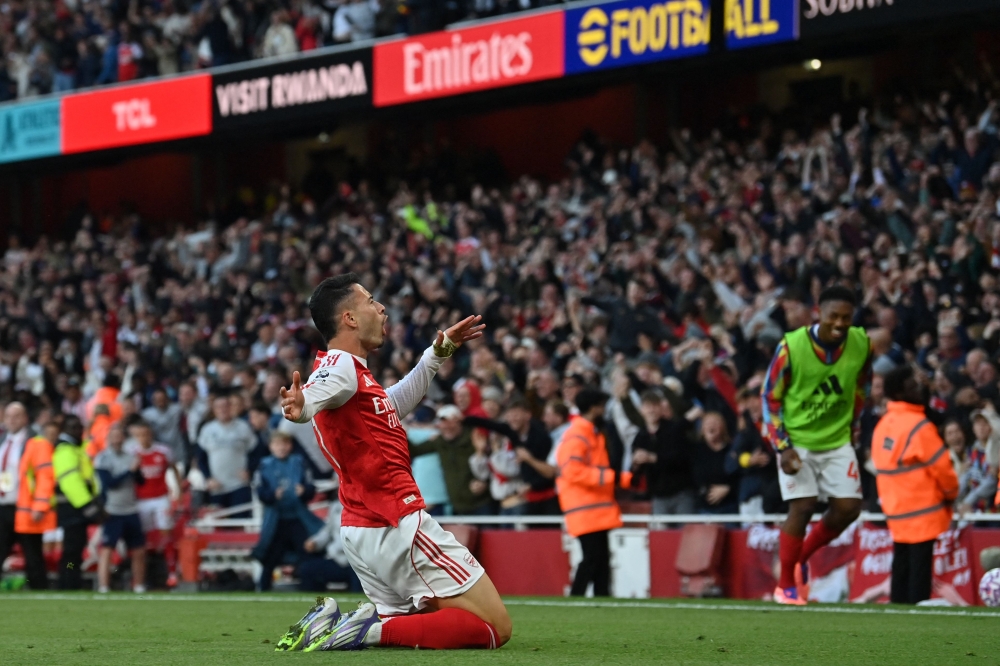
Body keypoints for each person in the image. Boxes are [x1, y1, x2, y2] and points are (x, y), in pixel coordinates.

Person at [275, 273, 511, 651]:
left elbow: (391, 404)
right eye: (370, 301)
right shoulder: (341, 369)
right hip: (396, 521)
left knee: (416, 624)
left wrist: (435, 354)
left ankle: (342, 623)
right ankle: (364, 627)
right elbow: (314, 398)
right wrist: (301, 407)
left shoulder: (350, 373)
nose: (381, 307)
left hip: (360, 527)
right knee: (493, 627)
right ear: (350, 318)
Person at [762, 285, 871, 605]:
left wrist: (855, 426)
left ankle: (799, 558)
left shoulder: (861, 343)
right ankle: (785, 586)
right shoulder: (791, 347)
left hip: (837, 439)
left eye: (846, 318)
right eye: (833, 316)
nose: (839, 324)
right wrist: (782, 446)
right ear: (817, 312)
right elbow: (770, 397)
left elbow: (861, 386)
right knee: (803, 505)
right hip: (799, 441)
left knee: (849, 509)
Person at [873, 365, 960, 604]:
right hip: (922, 510)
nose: (918, 389)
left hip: (895, 509)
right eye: (912, 386)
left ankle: (898, 611)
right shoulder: (919, 426)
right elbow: (943, 468)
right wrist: (951, 493)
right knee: (920, 569)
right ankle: (916, 612)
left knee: (901, 563)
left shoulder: (883, 425)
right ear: (899, 392)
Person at [556, 388, 633, 597]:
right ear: (593, 408)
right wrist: (611, 478)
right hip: (585, 508)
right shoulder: (579, 435)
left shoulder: (589, 433)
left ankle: (601, 599)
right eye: (601, 406)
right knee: (593, 558)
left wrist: (623, 479)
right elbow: (572, 471)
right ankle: (576, 597)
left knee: (599, 560)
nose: (604, 410)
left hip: (592, 508)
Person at [251, 431, 321, 591]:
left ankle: (310, 587)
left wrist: (304, 491)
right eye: (277, 444)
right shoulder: (264, 465)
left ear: (290, 446)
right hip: (276, 518)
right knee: (269, 555)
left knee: (307, 552)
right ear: (271, 447)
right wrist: (271, 496)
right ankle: (263, 588)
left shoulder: (299, 462)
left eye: (284, 444)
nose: (281, 448)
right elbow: (260, 491)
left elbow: (311, 486)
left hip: (298, 516)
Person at [409, 405, 493, 516]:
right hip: (458, 507)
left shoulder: (474, 438)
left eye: (450, 423)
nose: (446, 427)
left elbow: (492, 465)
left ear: (459, 422)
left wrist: (485, 483)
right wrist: (399, 433)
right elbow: (415, 451)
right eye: (443, 423)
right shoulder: (440, 441)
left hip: (481, 504)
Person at [53, 415, 105, 590]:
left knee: (75, 549)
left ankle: (71, 581)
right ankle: (68, 582)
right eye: (73, 427)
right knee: (71, 551)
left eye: (79, 427)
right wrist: (89, 507)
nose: (78, 431)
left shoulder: (76, 449)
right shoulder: (65, 450)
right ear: (65, 429)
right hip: (72, 508)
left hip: (76, 508)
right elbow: (71, 482)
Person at [94, 422, 147, 593]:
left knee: (138, 549)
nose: (117, 439)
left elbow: (141, 481)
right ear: (109, 438)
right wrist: (130, 471)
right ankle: (103, 585)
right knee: (108, 548)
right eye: (113, 436)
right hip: (113, 509)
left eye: (119, 435)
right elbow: (109, 483)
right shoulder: (103, 458)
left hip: (130, 508)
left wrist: (137, 470)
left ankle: (138, 584)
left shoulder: (130, 457)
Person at [2, 403, 51, 589]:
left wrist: (40, 505)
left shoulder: (35, 442)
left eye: (16, 415)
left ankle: (40, 592)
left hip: (25, 507)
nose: (11, 420)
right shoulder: (2, 441)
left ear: (25, 418)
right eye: (8, 415)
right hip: (3, 505)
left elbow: (44, 476)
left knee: (32, 554)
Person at [131, 420, 180, 587]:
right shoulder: (132, 453)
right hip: (140, 501)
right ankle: (140, 578)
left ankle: (172, 572)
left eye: (146, 434)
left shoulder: (163, 451)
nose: (143, 438)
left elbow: (174, 469)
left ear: (151, 434)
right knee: (141, 540)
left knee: (167, 535)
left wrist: (177, 490)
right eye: (139, 435)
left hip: (161, 498)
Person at [196, 395, 256, 514]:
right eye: (218, 407)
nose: (222, 410)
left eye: (225, 406)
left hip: (239, 484)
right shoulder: (207, 430)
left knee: (240, 523)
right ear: (214, 410)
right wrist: (208, 478)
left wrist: (250, 470)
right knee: (219, 526)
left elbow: (255, 452)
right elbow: (200, 458)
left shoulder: (243, 427)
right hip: (217, 486)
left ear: (231, 407)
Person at [299, 499, 363, 593]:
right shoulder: (336, 506)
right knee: (307, 569)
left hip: (359, 561)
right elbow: (327, 530)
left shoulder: (366, 505)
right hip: (337, 559)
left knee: (358, 578)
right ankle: (318, 604)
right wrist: (315, 542)